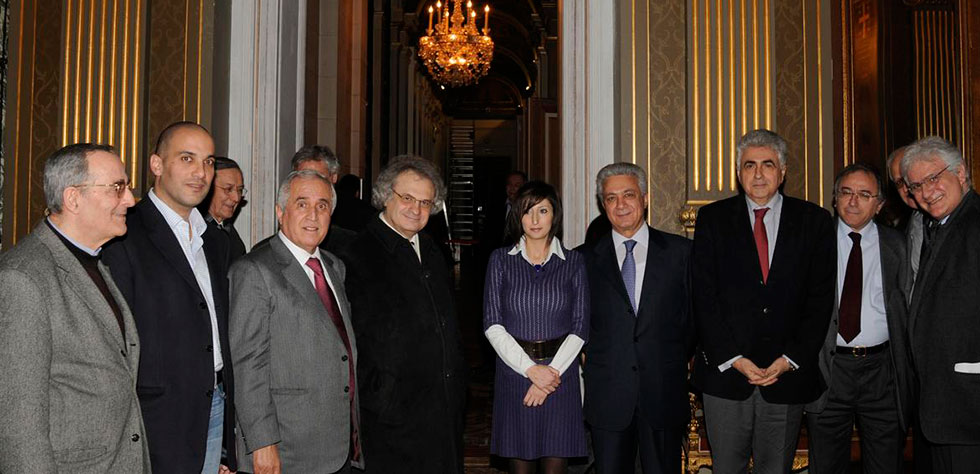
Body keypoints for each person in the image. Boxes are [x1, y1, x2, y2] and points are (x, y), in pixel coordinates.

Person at [690, 129, 835, 474]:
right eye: (749, 165)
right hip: (726, 375)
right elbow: (703, 297)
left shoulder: (814, 221)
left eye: (767, 165)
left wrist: (790, 359)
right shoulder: (713, 219)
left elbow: (820, 301)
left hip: (785, 376)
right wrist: (734, 358)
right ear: (738, 173)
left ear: (783, 171)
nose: (758, 174)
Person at [0, 143, 150, 473]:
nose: (129, 199)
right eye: (117, 187)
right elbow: (19, 429)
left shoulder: (93, 262)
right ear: (73, 198)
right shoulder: (23, 278)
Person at [102, 122, 237, 474]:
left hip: (214, 405)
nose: (201, 172)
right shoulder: (125, 233)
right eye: (187, 158)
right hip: (156, 417)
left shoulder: (215, 239)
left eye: (208, 162)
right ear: (156, 165)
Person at [340, 155, 467, 473]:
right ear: (385, 195)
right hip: (392, 419)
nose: (417, 209)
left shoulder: (431, 249)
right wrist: (381, 396)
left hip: (442, 407)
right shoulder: (358, 255)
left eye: (426, 202)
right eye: (407, 198)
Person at [229, 170, 360, 474]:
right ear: (280, 212)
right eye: (302, 204)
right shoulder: (255, 271)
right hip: (286, 448)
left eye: (323, 206)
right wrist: (261, 443)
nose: (313, 215)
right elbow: (248, 365)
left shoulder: (334, 267)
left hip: (337, 444)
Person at [580, 162, 693, 473]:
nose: (621, 204)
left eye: (628, 195)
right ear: (603, 205)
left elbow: (692, 320)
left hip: (663, 391)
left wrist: (670, 355)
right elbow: (579, 323)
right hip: (609, 394)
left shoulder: (681, 253)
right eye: (611, 198)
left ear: (645, 198)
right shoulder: (582, 260)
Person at [805, 164, 912, 474]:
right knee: (826, 464)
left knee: (885, 463)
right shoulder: (814, 241)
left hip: (882, 371)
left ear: (879, 205)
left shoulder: (898, 245)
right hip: (829, 368)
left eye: (864, 194)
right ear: (834, 198)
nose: (853, 201)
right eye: (847, 192)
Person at [483, 181, 589, 473]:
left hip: (561, 378)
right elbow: (492, 324)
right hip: (515, 375)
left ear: (555, 215)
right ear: (518, 216)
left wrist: (550, 375)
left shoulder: (575, 262)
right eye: (527, 211)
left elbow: (581, 327)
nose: (534, 219)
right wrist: (532, 371)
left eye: (543, 210)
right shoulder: (500, 261)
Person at [901, 136, 980, 473]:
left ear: (961, 173)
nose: (926, 192)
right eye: (916, 185)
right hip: (944, 404)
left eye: (934, 178)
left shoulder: (976, 224)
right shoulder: (941, 226)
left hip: (970, 400)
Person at [290, 145, 358, 254]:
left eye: (319, 177)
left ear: (334, 177)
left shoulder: (354, 236)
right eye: (304, 177)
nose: (311, 185)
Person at [202, 156, 248, 259]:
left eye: (240, 190)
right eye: (228, 189)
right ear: (208, 189)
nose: (236, 198)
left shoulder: (231, 235)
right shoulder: (195, 229)